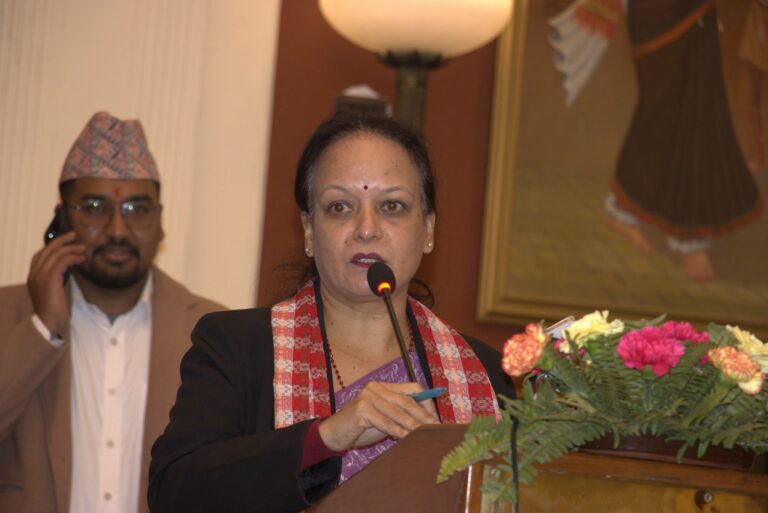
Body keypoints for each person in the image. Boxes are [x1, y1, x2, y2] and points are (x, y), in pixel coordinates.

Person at [148, 115, 514, 513]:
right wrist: (326, 437)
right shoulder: (237, 348)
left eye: (392, 206)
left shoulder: (487, 374)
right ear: (309, 230)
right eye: (340, 207)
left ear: (428, 230)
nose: (366, 229)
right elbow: (175, 490)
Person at [0, 111, 224, 513]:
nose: (118, 230)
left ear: (161, 222)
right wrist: (42, 328)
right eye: (94, 207)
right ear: (61, 219)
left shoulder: (212, 332)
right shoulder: (8, 315)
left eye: (138, 209)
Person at [550, 0, 764, 281]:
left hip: (690, 15)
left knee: (688, 111)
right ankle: (688, 240)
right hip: (668, 15)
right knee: (677, 113)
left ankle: (627, 211)